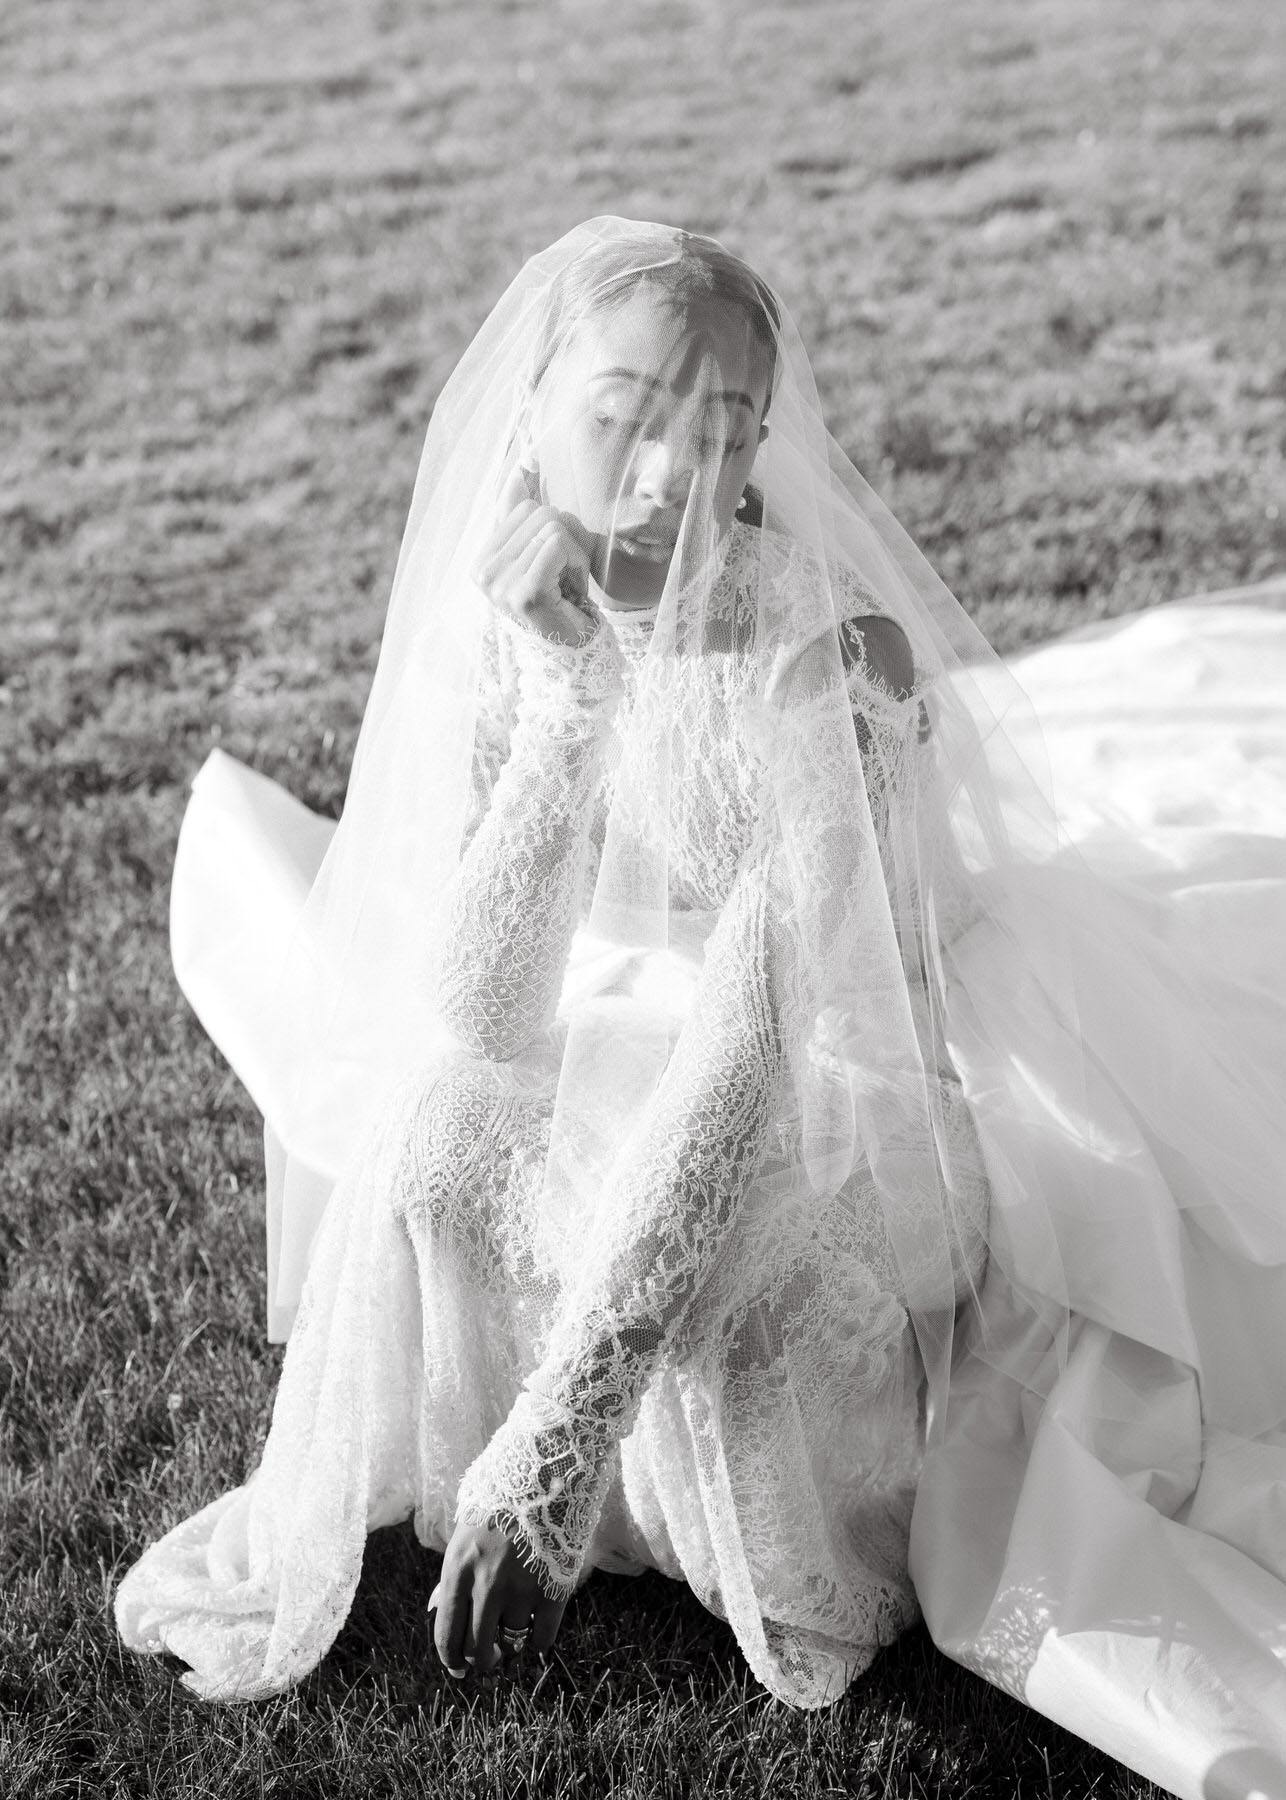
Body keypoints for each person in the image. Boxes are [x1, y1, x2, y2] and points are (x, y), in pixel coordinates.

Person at [116, 220, 1286, 1797]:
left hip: (878, 1033)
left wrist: (558, 1432)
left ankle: (771, 1547)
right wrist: (568, 691)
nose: (678, 471)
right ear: (535, 411)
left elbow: (759, 1047)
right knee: (426, 1124)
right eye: (629, 416)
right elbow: (476, 1018)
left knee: (738, 1258)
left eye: (725, 428)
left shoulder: (829, 657)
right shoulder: (515, 605)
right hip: (655, 992)